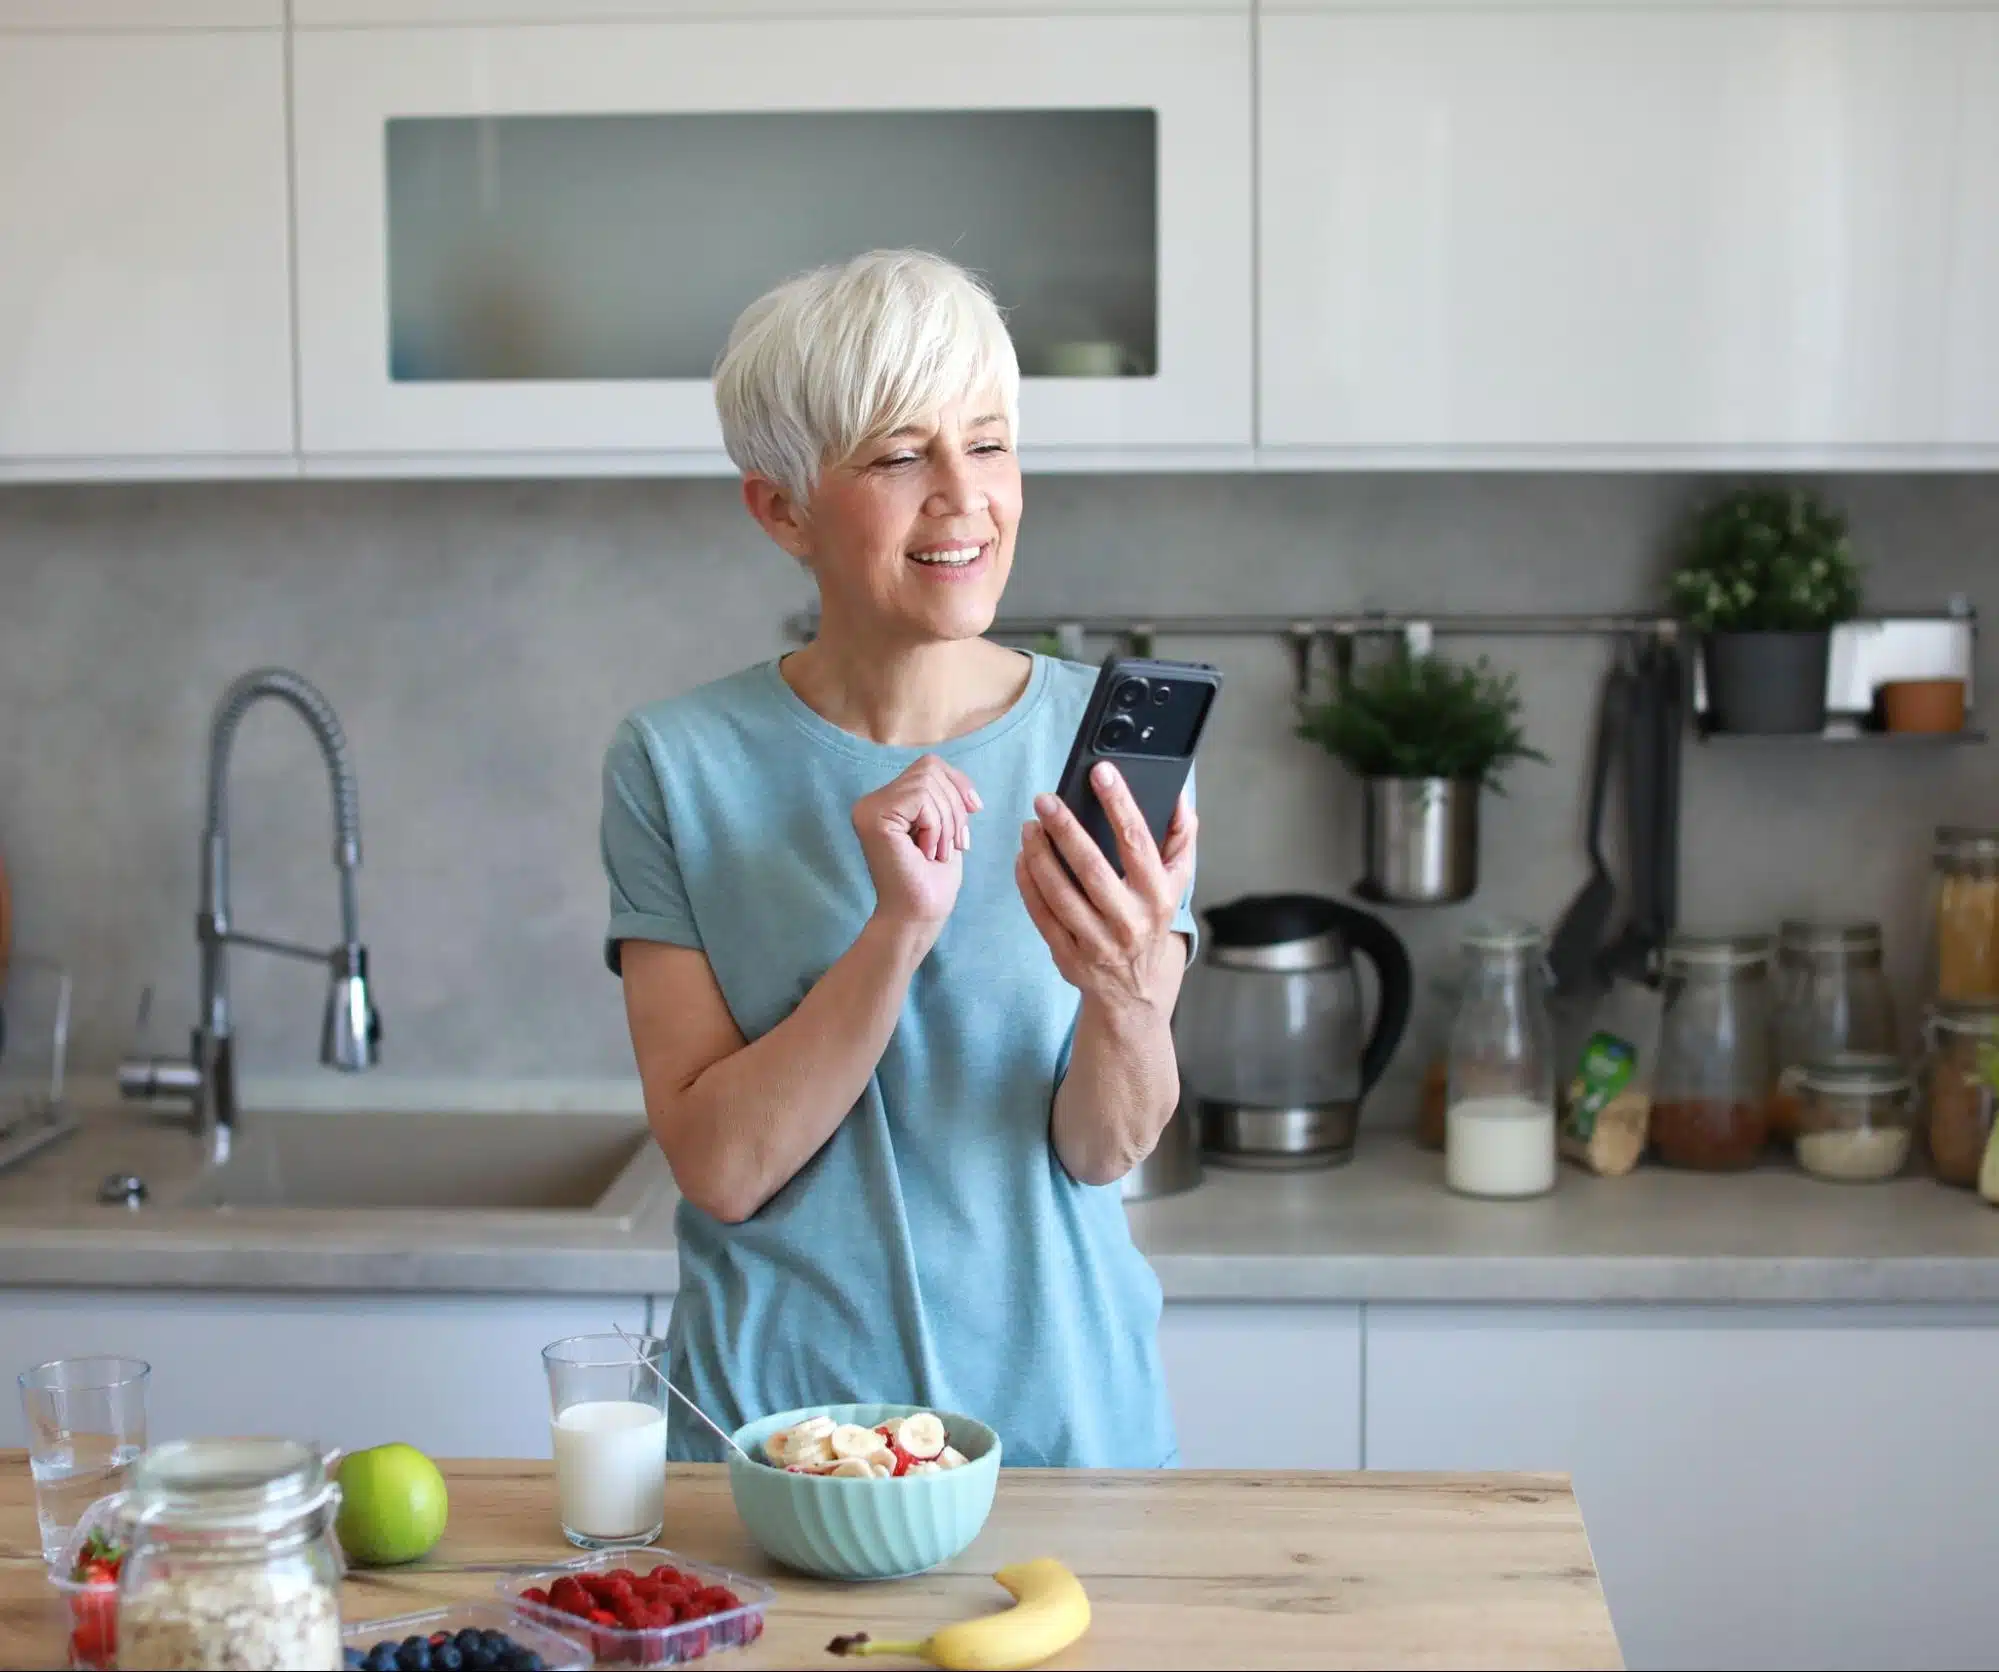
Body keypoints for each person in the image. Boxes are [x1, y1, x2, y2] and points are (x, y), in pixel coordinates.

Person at [600, 249, 1197, 1467]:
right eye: (894, 456)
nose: (962, 498)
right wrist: (897, 929)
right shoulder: (676, 763)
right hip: (775, 1446)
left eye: (986, 443)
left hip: (1059, 1436)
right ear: (781, 508)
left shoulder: (1106, 755)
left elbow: (1102, 1148)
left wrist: (1129, 995)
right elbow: (721, 1165)